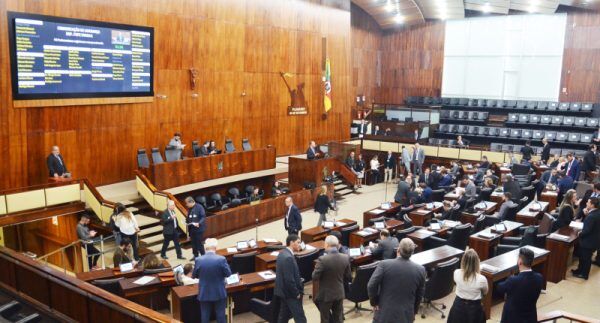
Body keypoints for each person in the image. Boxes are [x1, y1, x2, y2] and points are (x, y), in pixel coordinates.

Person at [367, 238, 426, 323]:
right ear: (412, 252)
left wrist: (374, 302)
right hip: (406, 315)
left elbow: (371, 285)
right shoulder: (421, 270)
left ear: (398, 249)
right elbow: (420, 294)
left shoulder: (384, 264)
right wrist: (414, 311)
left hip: (384, 314)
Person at [312, 235, 352, 323]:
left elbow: (314, 277)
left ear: (327, 245)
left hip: (326, 295)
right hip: (339, 292)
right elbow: (348, 275)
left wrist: (316, 268)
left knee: (325, 319)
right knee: (338, 318)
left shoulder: (322, 260)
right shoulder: (345, 257)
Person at [497, 248, 543, 322]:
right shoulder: (539, 278)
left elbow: (500, 287)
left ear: (520, 262)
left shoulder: (513, 280)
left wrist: (509, 278)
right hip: (530, 318)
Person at [192, 238, 232, 323]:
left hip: (204, 292)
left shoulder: (198, 260)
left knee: (205, 316)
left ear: (205, 248)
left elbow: (194, 275)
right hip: (219, 291)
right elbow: (228, 274)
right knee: (221, 316)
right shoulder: (221, 259)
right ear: (216, 248)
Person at [447, 249, 487, 323]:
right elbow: (485, 292)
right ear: (477, 262)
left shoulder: (456, 273)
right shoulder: (482, 279)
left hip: (458, 306)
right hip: (474, 309)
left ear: (463, 261)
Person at [274, 234, 307, 323]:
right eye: (298, 242)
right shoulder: (288, 257)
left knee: (283, 317)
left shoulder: (282, 253)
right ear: (291, 243)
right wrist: (296, 293)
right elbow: (289, 279)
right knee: (300, 318)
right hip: (290, 294)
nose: (300, 244)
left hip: (283, 292)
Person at [572, 197, 600, 279]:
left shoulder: (592, 216)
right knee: (582, 256)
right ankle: (579, 270)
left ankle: (584, 274)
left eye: (588, 202)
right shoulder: (596, 213)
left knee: (586, 258)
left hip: (589, 241)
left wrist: (579, 233)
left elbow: (587, 230)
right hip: (594, 240)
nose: (586, 203)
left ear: (592, 205)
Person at [185, 196, 207, 260]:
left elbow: (203, 217)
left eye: (187, 203)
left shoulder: (199, 207)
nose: (186, 205)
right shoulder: (190, 208)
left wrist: (199, 223)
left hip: (199, 229)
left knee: (199, 243)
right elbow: (189, 217)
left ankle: (203, 256)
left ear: (191, 202)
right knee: (193, 243)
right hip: (192, 229)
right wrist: (186, 222)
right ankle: (195, 255)